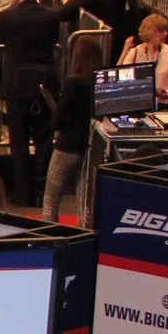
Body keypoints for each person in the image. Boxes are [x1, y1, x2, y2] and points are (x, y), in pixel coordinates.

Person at [0, 0, 69, 204]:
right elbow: (53, 40)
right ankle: (42, 190)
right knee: (44, 140)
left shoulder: (8, 16)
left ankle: (23, 193)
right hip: (45, 85)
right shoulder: (51, 16)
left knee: (19, 142)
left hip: (18, 86)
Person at [43, 36, 105, 222]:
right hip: (88, 147)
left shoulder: (73, 83)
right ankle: (83, 232)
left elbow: (57, 121)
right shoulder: (100, 82)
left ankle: (47, 234)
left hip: (67, 147)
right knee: (83, 199)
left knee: (51, 198)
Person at [119, 13, 168, 107]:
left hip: (162, 105)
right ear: (150, 32)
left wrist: (166, 95)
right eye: (161, 31)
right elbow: (121, 79)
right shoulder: (135, 52)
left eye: (166, 30)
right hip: (137, 103)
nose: (165, 33)